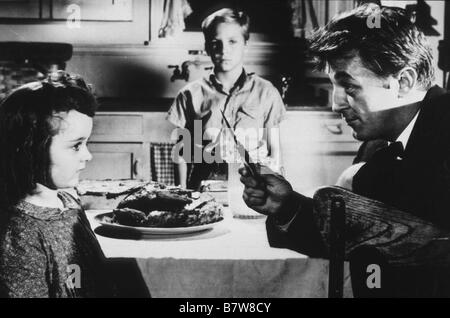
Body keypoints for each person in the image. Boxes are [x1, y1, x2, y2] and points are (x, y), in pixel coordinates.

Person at [240, 3, 450, 297]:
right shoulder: (376, 148)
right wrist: (287, 207)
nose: (336, 104)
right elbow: (363, 236)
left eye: (350, 87)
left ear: (403, 82)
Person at [0, 72, 116, 298]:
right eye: (76, 146)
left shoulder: (68, 202)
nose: (88, 155)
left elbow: (90, 277)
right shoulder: (20, 237)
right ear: (29, 149)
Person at [167, 8, 286, 190]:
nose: (224, 50)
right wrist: (182, 194)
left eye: (232, 41)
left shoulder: (266, 92)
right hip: (204, 190)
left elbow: (274, 153)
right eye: (216, 43)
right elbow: (182, 154)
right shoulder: (190, 95)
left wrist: (275, 195)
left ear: (245, 43)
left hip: (251, 191)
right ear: (207, 47)